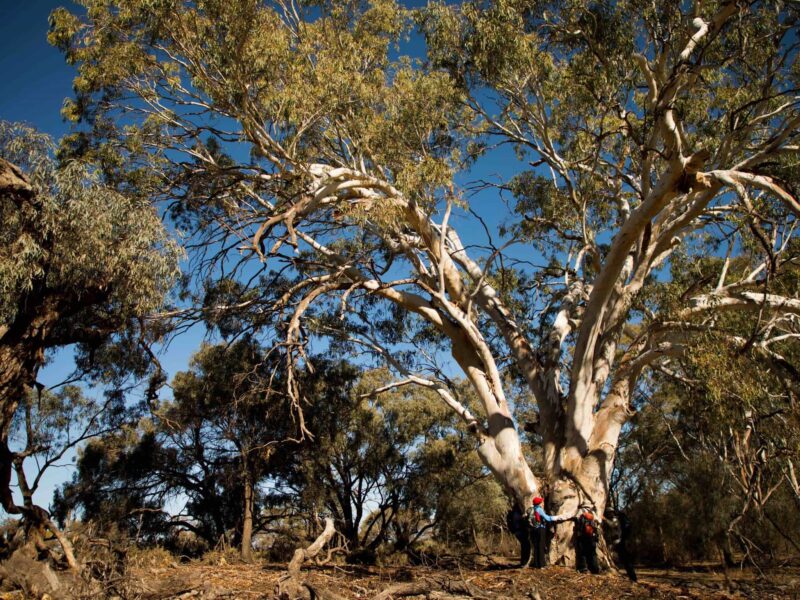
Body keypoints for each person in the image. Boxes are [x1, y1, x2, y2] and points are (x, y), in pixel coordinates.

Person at [526, 496, 567, 568]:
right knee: (541, 546)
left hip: (533, 529)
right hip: (540, 528)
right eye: (541, 502)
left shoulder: (531, 509)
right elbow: (547, 518)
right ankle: (542, 564)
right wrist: (556, 517)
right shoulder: (539, 509)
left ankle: (536, 564)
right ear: (539, 503)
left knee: (536, 546)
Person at [575, 509, 600, 574]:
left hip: (583, 537)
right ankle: (595, 569)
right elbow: (599, 521)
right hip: (592, 538)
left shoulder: (580, 514)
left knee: (582, 553)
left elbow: (576, 520)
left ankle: (583, 569)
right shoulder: (593, 515)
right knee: (593, 554)